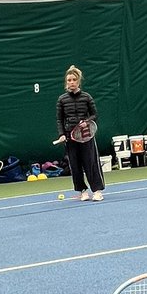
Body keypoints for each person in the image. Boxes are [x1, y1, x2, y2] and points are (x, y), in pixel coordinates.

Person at [55, 65, 105, 202]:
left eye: (73, 80)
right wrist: (61, 134)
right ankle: (83, 191)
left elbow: (95, 115)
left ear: (78, 82)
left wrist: (87, 121)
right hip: (70, 138)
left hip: (86, 135)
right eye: (69, 80)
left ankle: (97, 191)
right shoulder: (62, 99)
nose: (71, 82)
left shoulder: (87, 97)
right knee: (75, 166)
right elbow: (60, 119)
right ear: (66, 82)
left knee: (91, 163)